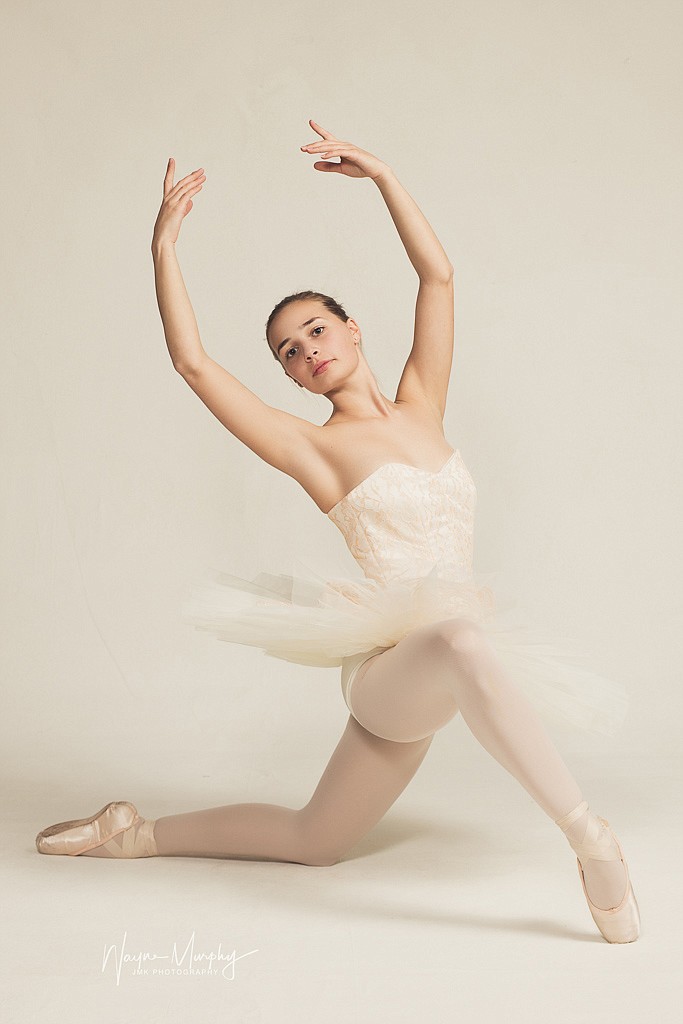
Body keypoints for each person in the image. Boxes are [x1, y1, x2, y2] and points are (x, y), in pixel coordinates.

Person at [35, 120, 639, 944]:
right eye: (288, 351)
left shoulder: (424, 401)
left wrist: (385, 175)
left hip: (445, 662)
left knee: (313, 840)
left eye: (316, 329)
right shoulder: (314, 450)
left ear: (352, 331)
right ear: (287, 375)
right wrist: (164, 249)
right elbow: (195, 365)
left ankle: (132, 832)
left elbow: (439, 275)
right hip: (394, 663)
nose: (306, 350)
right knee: (461, 640)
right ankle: (590, 839)